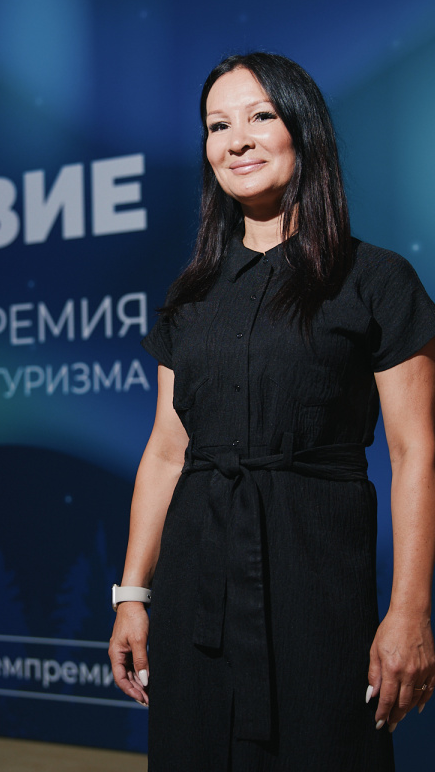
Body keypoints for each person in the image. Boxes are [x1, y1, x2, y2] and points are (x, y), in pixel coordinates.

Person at [108, 52, 435, 771]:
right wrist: (132, 596)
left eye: (260, 115)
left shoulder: (378, 279)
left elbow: (415, 453)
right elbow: (166, 451)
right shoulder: (190, 296)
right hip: (197, 587)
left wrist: (410, 612)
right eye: (217, 125)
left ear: (304, 129)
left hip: (319, 583)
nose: (237, 140)